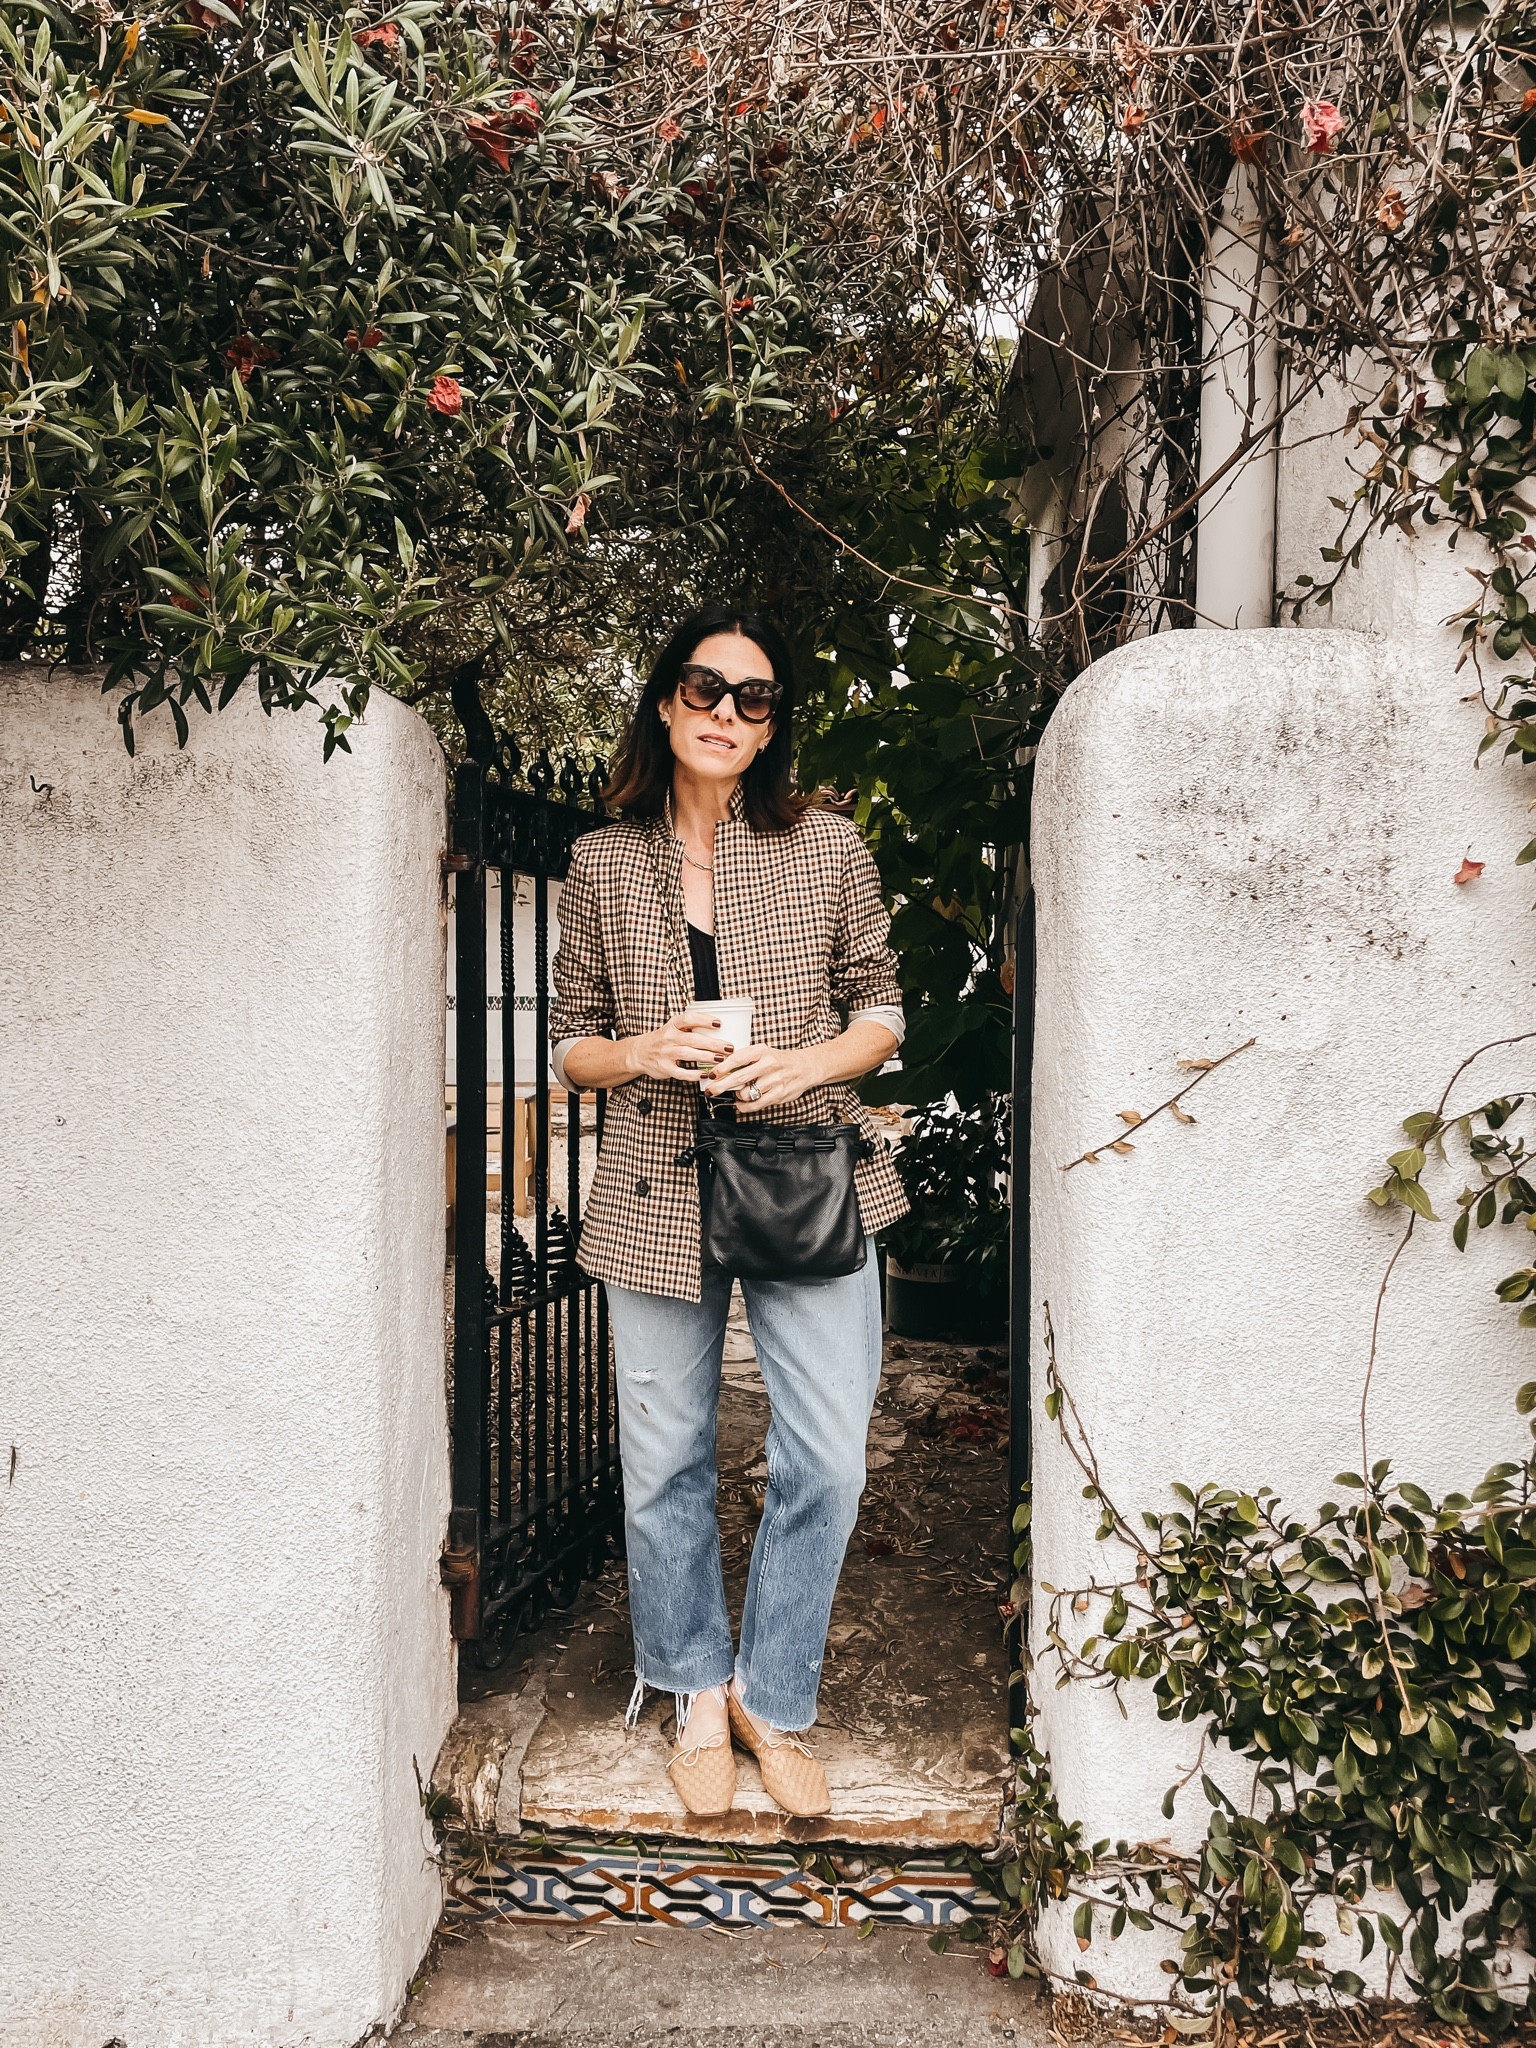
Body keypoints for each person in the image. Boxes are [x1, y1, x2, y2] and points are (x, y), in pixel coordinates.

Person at [549, 604, 909, 1820]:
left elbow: (882, 1008)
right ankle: (698, 1690)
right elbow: (570, 1045)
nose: (725, 712)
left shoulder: (826, 846)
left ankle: (774, 1691)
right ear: (666, 700)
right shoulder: (604, 861)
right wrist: (643, 1048)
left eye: (754, 698)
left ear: (771, 726)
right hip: (655, 1186)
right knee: (664, 1460)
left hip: (806, 1176)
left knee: (832, 1454)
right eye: (705, 687)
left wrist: (803, 1064)